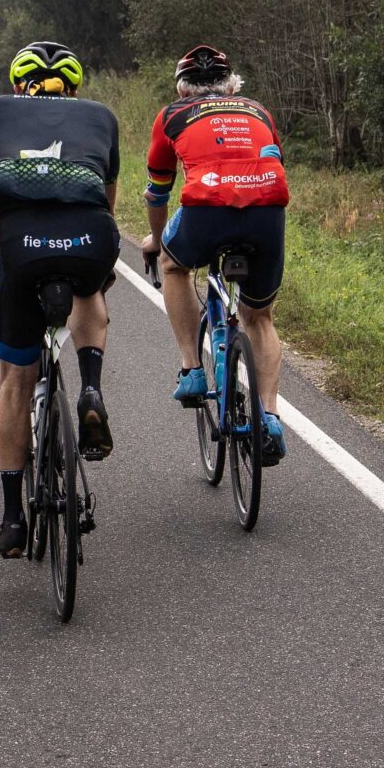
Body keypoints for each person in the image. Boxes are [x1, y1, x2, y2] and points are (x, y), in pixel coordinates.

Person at [0, 41, 120, 558]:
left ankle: (12, 520)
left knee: (15, 382)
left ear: (16, 83)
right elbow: (106, 205)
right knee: (90, 289)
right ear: (74, 86)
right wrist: (96, 264)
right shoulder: (102, 117)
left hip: (18, 248)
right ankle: (90, 389)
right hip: (89, 239)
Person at [138, 45, 290, 465]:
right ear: (232, 84)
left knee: (174, 264)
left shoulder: (172, 115)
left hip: (206, 211)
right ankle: (271, 417)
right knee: (260, 318)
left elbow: (157, 191)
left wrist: (156, 240)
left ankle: (191, 370)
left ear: (183, 89)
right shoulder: (259, 111)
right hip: (266, 213)